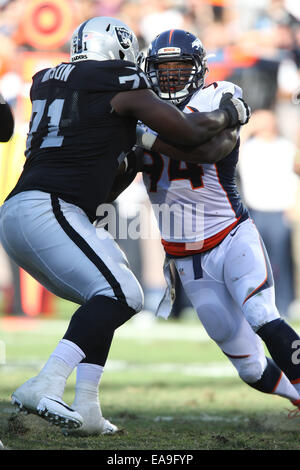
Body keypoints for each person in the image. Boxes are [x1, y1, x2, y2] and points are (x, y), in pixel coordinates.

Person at [0, 18, 250, 436]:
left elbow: (106, 176)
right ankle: (45, 381)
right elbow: (190, 133)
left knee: (105, 292)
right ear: (117, 49)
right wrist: (230, 112)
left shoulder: (47, 80)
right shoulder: (118, 78)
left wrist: (131, 150)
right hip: (49, 208)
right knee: (123, 294)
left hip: (29, 209)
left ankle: (88, 407)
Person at [127, 29, 300, 414]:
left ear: (199, 69)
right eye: (163, 68)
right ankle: (296, 396)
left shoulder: (218, 95)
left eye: (180, 67)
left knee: (261, 313)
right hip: (186, 258)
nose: (171, 75)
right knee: (250, 367)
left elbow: (208, 150)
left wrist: (146, 140)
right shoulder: (140, 109)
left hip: (230, 235)